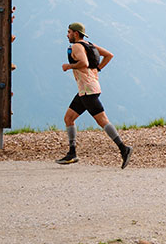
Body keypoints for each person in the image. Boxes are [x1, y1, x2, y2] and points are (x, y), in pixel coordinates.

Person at [56, 22, 132, 168]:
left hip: (87, 90)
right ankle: (72, 153)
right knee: (69, 118)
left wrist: (69, 66)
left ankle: (124, 149)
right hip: (88, 89)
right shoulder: (89, 45)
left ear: (76, 34)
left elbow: (83, 63)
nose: (67, 35)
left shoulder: (77, 46)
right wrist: (97, 69)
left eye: (69, 32)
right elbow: (109, 55)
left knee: (102, 120)